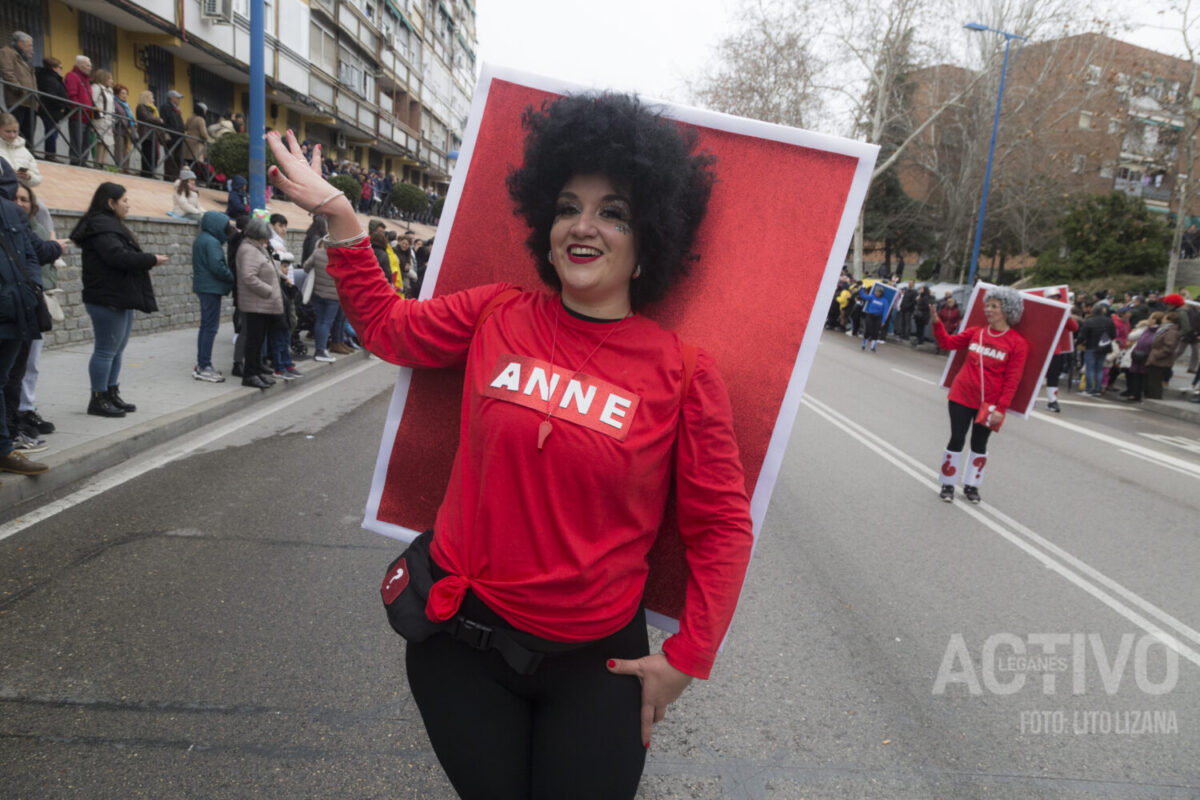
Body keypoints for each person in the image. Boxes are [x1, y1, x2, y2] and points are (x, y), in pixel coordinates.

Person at [265, 92, 754, 800]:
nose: (583, 227)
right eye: (567, 207)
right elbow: (388, 328)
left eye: (612, 212)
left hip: (599, 669)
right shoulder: (496, 312)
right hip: (461, 650)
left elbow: (721, 526)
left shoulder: (682, 370)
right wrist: (343, 220)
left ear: (650, 240)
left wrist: (689, 656)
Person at [69, 182, 167, 417]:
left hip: (119, 295)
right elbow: (117, 257)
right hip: (106, 297)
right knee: (105, 350)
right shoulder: (101, 227)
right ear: (110, 203)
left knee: (117, 349)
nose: (128, 205)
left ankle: (111, 393)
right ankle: (98, 399)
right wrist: (150, 259)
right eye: (124, 201)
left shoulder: (109, 225)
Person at [931, 286, 1029, 504]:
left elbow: (1012, 380)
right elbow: (947, 342)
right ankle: (948, 483)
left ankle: (971, 485)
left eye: (994, 306)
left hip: (989, 405)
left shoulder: (1017, 343)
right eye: (987, 305)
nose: (988, 310)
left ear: (1007, 311)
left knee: (979, 443)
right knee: (957, 438)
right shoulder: (976, 332)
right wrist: (937, 324)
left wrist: (1001, 410)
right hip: (961, 396)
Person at [0, 158, 49, 476]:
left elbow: (31, 254)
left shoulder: (13, 211)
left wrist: (32, 289)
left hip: (15, 311)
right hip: (11, 308)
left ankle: (5, 450)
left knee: (4, 380)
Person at [12, 181, 65, 438]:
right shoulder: (13, 230)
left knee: (31, 363)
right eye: (16, 198)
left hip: (38, 299)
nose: (21, 203)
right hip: (17, 304)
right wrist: (55, 248)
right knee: (15, 365)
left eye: (25, 199)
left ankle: (26, 407)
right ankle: (16, 416)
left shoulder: (39, 228)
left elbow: (47, 265)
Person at [234, 215, 281, 389]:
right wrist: (268, 290)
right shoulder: (248, 250)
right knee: (253, 340)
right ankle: (250, 374)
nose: (266, 239)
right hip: (256, 302)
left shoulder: (257, 248)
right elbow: (248, 276)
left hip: (262, 303)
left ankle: (256, 370)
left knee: (259, 339)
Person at [191, 210, 234, 383]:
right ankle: (204, 366)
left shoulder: (202, 239)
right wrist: (232, 276)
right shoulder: (212, 242)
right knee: (210, 327)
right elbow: (217, 266)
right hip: (211, 289)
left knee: (205, 326)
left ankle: (202, 363)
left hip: (205, 288)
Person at [0, 32, 37, 145]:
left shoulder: (25, 59)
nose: (32, 49)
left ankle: (28, 152)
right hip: (18, 99)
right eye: (30, 45)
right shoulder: (7, 52)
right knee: (16, 130)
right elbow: (8, 72)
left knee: (29, 132)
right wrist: (20, 89)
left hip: (31, 100)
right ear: (20, 43)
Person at [34, 56, 69, 162]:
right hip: (51, 110)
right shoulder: (50, 79)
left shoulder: (52, 78)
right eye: (60, 67)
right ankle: (50, 155)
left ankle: (51, 154)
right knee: (51, 133)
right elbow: (50, 95)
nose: (62, 70)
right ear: (54, 68)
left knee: (53, 133)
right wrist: (61, 106)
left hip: (53, 110)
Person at [1077, 303, 1116, 397]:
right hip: (1104, 346)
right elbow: (1113, 335)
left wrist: (1079, 342)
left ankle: (1089, 389)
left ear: (1092, 311)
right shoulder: (1109, 321)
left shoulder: (1089, 321)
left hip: (1091, 346)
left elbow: (1082, 335)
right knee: (1099, 369)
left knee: (1090, 369)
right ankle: (1097, 389)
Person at [63, 55, 93, 166]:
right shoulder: (72, 76)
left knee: (86, 141)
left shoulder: (86, 79)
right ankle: (76, 161)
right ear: (80, 65)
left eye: (90, 65)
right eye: (88, 65)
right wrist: (80, 109)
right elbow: (72, 95)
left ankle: (83, 161)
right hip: (78, 114)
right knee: (77, 140)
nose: (90, 68)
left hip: (87, 115)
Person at [0, 113, 42, 186]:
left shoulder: (25, 152)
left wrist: (28, 176)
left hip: (19, 192)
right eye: (8, 131)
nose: (12, 135)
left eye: (15, 131)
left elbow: (38, 179)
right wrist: (8, 174)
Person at [1145, 310, 1180, 400]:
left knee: (1155, 380)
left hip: (1160, 360)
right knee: (1152, 379)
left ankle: (1154, 397)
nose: (1163, 319)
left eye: (1165, 317)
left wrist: (1156, 354)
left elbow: (1168, 347)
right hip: (1157, 358)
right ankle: (1152, 396)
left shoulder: (1171, 332)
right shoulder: (1165, 329)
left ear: (1169, 320)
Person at [89, 68, 116, 166]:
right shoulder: (96, 87)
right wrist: (99, 114)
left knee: (107, 142)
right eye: (110, 79)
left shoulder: (109, 91)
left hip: (108, 120)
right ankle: (98, 162)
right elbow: (93, 101)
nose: (112, 81)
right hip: (100, 119)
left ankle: (102, 162)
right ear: (103, 78)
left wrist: (113, 118)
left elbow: (112, 106)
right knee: (101, 141)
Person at [159, 90, 186, 182]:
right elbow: (165, 121)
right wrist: (170, 131)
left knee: (178, 158)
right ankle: (169, 177)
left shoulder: (177, 109)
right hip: (171, 136)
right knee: (170, 157)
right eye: (177, 98)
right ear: (171, 98)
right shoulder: (166, 107)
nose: (179, 100)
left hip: (179, 137)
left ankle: (176, 177)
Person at [135, 91, 162, 178]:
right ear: (146, 98)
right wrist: (158, 120)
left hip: (153, 134)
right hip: (146, 134)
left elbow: (151, 118)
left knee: (154, 154)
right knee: (147, 154)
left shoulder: (152, 109)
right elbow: (147, 118)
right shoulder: (141, 107)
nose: (153, 100)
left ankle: (151, 173)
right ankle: (146, 173)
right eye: (152, 98)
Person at [111, 84, 136, 172]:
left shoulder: (126, 105)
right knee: (119, 150)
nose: (125, 95)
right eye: (122, 93)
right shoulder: (114, 103)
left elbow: (130, 117)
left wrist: (133, 123)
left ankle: (126, 169)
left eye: (126, 93)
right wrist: (125, 122)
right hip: (118, 130)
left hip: (127, 131)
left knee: (127, 151)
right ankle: (120, 168)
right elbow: (114, 115)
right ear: (117, 94)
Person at [860, 283, 888, 352]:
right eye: (876, 291)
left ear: (881, 293)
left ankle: (873, 347)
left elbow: (885, 311)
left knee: (875, 332)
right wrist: (862, 288)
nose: (877, 293)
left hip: (878, 317)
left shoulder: (884, 301)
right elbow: (863, 295)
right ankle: (864, 344)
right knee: (868, 330)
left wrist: (883, 321)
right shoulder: (872, 297)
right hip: (870, 316)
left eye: (879, 292)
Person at [184, 101, 212, 167]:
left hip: (187, 146)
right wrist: (208, 139)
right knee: (197, 167)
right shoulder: (200, 119)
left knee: (188, 165)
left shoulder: (189, 118)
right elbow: (203, 134)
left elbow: (185, 127)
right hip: (196, 146)